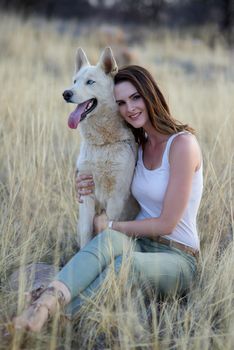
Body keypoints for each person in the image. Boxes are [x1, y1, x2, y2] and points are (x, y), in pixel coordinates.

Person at [13, 65, 203, 332]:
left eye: (136, 97)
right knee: (107, 242)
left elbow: (166, 224)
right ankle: (42, 304)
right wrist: (82, 182)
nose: (130, 108)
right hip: (139, 244)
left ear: (151, 94)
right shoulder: (137, 145)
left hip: (178, 258)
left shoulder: (183, 144)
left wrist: (112, 226)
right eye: (121, 102)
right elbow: (111, 183)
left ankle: (59, 318)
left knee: (120, 261)